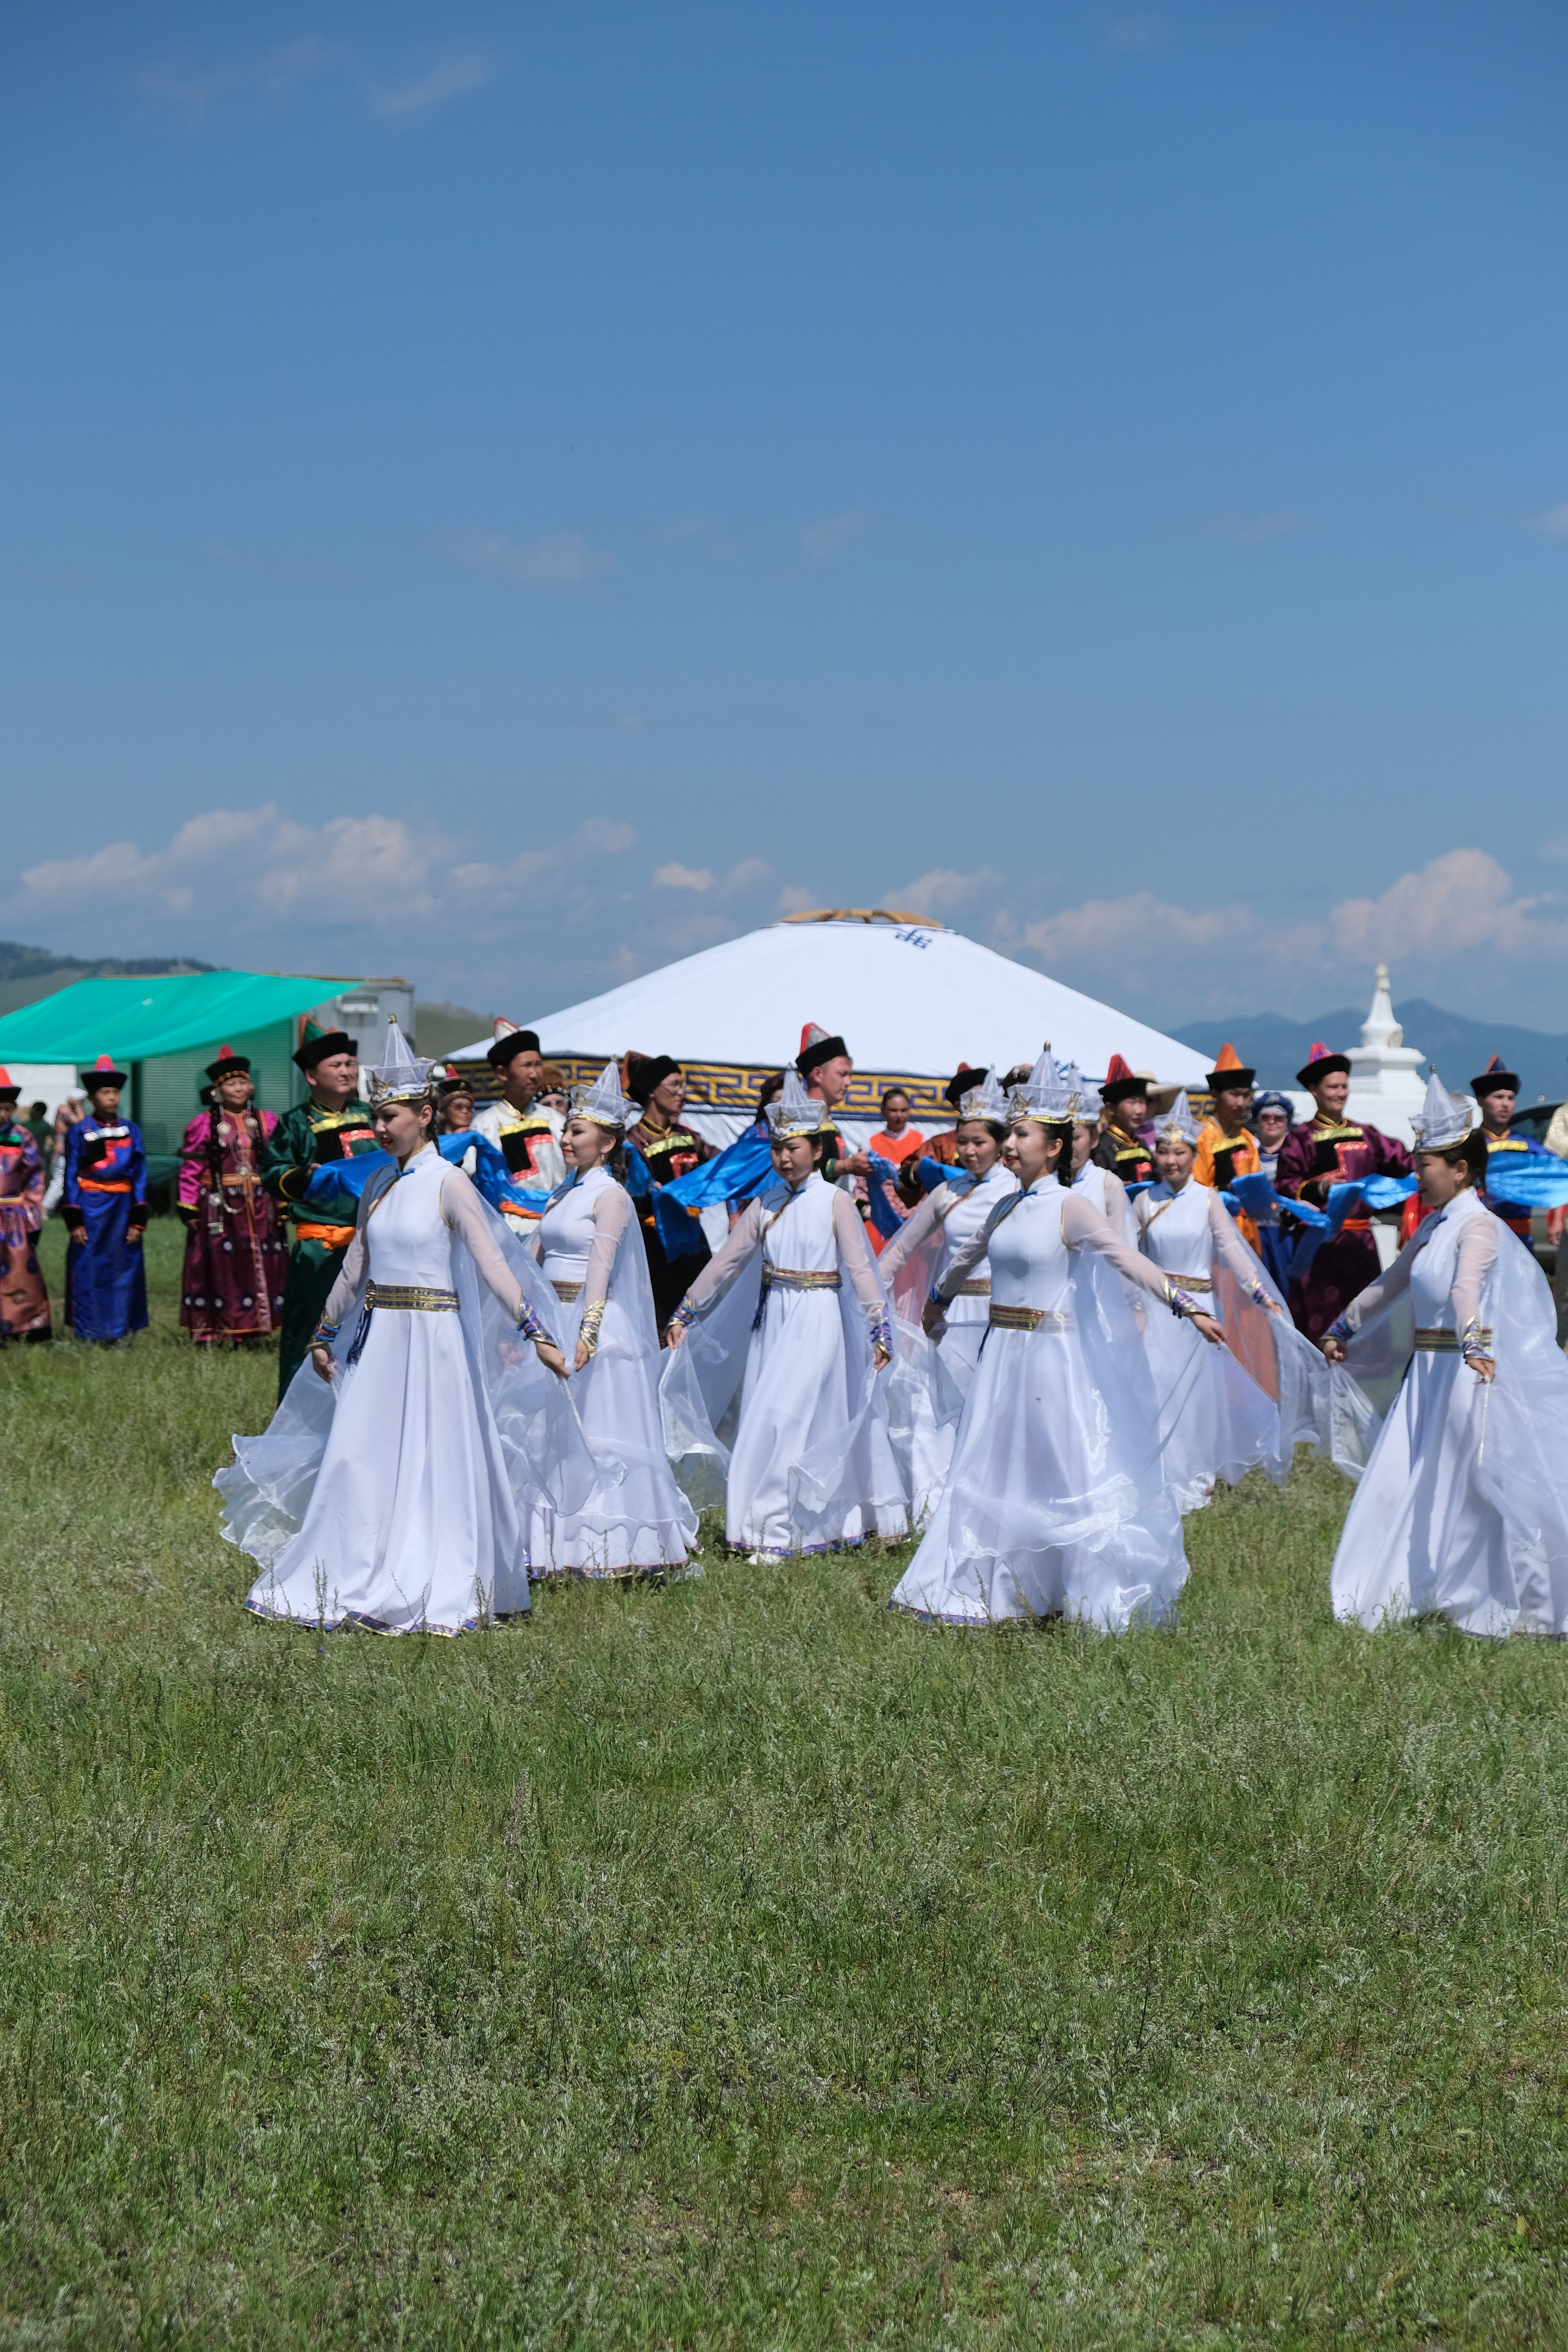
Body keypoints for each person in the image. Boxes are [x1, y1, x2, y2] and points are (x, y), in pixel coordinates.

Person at [218, 1022, 585, 1636]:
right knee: (359, 1456)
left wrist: (536, 1332)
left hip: (436, 1344)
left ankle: (436, 1574)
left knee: (435, 1458)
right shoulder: (379, 1183)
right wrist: (323, 1333)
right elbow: (356, 1266)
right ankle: (354, 1567)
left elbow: (494, 1264)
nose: (381, 1127)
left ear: (424, 1115)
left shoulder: (449, 1182)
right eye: (376, 1117)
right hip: (380, 1342)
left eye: (391, 1116)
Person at [886, 1056, 1224, 1632]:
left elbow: (1125, 1257)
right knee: (992, 1467)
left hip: (1054, 1360)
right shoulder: (1005, 1204)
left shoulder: (1072, 1206)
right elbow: (965, 1258)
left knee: (1062, 1471)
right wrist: (936, 1304)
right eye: (1010, 1133)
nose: (1009, 1143)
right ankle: (990, 1589)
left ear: (1054, 1147)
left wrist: (1185, 1305)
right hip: (1002, 1357)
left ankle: (1079, 1589)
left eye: (1021, 1134)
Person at [1322, 1074, 1568, 1637]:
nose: (1417, 1173)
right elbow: (1392, 1283)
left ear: (1460, 1169)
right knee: (1401, 1479)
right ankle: (1399, 1589)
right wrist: (1342, 1327)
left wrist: (1475, 1345)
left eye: (1425, 1164)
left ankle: (1488, 1597)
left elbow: (1465, 1290)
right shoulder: (1435, 1225)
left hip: (1464, 1377)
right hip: (1426, 1379)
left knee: (1470, 1485)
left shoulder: (1477, 1227)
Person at [662, 1069, 907, 1558]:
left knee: (788, 1417)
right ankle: (786, 1523)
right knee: (763, 1418)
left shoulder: (835, 1200)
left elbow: (860, 1269)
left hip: (819, 1318)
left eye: (794, 1147)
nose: (784, 1157)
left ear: (817, 1150)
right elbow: (727, 1260)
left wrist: (879, 1326)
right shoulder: (766, 1203)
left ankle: (775, 1531)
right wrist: (685, 1310)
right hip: (772, 1321)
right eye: (777, 1148)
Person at [525, 1062, 699, 1577]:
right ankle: (552, 1542)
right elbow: (531, 1259)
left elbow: (601, 1266)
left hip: (593, 1322)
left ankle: (611, 1545)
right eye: (566, 1130)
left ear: (605, 1144)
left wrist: (588, 1330)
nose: (565, 1139)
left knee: (600, 1429)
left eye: (576, 1131)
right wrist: (522, 1318)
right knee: (553, 1432)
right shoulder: (562, 1194)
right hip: (555, 1316)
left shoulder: (611, 1195)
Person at [1131, 1096, 1323, 1512]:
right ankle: (1163, 1468)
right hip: (1159, 1305)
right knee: (1159, 1384)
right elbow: (1133, 1258)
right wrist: (1136, 1306)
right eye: (1163, 1152)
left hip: (1200, 1307)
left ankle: (1199, 1469)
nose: (1171, 1161)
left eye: (1179, 1152)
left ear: (1193, 1155)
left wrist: (1261, 1294)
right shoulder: (1144, 1202)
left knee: (1199, 1390)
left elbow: (1233, 1250)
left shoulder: (1207, 1199)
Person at [876, 1069, 1018, 1523]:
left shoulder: (1018, 1189)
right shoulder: (947, 1192)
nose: (970, 1151)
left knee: (999, 1405)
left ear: (1001, 1143)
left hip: (1003, 1313)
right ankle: (946, 1502)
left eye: (980, 1142)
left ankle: (997, 1499)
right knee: (948, 1407)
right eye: (964, 1142)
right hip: (950, 1316)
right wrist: (870, 1301)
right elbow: (900, 1249)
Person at [264, 1026, 379, 1398]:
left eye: (351, 1063)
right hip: (321, 1249)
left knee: (372, 1331)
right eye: (337, 1065)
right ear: (312, 1076)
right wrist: (304, 1177)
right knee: (313, 1332)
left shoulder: (374, 1116)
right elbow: (273, 1173)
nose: (347, 1071)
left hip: (374, 1243)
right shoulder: (294, 1123)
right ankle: (300, 1414)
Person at [1275, 1043, 1412, 1342]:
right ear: (1314, 1091)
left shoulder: (1367, 1134)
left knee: (1365, 1323)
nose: (1340, 1093)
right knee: (1318, 1324)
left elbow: (1405, 1163)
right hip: (1317, 1247)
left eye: (1344, 1086)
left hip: (1361, 1245)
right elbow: (1285, 1187)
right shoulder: (1300, 1139)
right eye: (1332, 1087)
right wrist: (1320, 1188)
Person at [176, 1046, 288, 1348]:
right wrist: (188, 1206)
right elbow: (191, 1168)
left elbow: (278, 1164)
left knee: (261, 1262)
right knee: (223, 1265)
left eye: (242, 1082)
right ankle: (217, 1328)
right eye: (230, 1083)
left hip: (261, 1205)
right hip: (220, 1207)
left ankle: (256, 1327)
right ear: (217, 1090)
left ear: (251, 1087)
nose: (238, 1088)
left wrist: (282, 1201)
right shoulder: (203, 1124)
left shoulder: (268, 1121)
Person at [625, 1052, 718, 1328]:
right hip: (653, 1244)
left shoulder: (690, 1137)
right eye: (675, 1085)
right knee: (660, 1321)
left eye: (682, 1085)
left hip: (692, 1239)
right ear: (653, 1090)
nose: (681, 1092)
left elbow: (722, 1166)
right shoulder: (632, 1141)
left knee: (701, 1317)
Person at [61, 1056, 148, 1343]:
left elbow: (140, 1174)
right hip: (91, 1207)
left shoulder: (132, 1131)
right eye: (105, 1092)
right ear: (92, 1098)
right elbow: (71, 1175)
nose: (112, 1097)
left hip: (122, 1209)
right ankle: (89, 1330)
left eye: (115, 1092)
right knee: (88, 1265)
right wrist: (75, 1220)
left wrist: (138, 1219)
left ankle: (120, 1330)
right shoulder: (80, 1131)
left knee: (123, 1266)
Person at [472, 1024, 567, 1229]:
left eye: (538, 1065)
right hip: (505, 1226)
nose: (535, 1074)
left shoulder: (556, 1121)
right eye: (527, 1066)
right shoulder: (486, 1125)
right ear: (502, 1072)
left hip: (557, 1219)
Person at [1468, 1054, 1549, 1247]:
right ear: (1480, 1100)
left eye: (1511, 1098)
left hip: (1520, 1238)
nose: (1506, 1104)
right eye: (1498, 1097)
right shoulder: (1468, 1145)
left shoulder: (1528, 1145)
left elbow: (1556, 1173)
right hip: (1478, 1233)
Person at [1192, 1044, 1262, 1247]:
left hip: (1248, 1225)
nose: (1241, 1103)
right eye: (1234, 1094)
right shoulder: (1201, 1136)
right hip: (1216, 1225)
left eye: (1246, 1096)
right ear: (1215, 1094)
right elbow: (1198, 1189)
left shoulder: (1246, 1137)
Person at [0, 1070, 50, 1341]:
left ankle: (24, 1324)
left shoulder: (22, 1136)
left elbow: (34, 1179)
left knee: (19, 1272)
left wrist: (31, 1216)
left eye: (8, 1109)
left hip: (13, 1215)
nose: (2, 1115)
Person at [864, 1086, 925, 1252]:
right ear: (883, 1110)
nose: (899, 1116)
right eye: (893, 1110)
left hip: (914, 1219)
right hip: (881, 1218)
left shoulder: (922, 1142)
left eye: (904, 1110)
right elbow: (861, 1185)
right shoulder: (870, 1144)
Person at [1091, 1054, 1156, 1187]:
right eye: (1132, 1103)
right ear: (1111, 1108)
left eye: (1142, 1102)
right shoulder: (1101, 1146)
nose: (1139, 1110)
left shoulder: (1141, 1144)